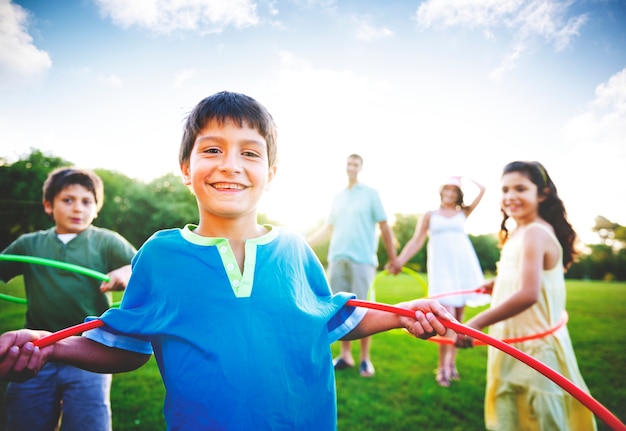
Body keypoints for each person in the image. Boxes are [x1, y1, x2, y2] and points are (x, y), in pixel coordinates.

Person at [0, 91, 453, 431]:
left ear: (270, 175)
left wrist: (402, 315)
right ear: (185, 168)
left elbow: (332, 315)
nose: (231, 164)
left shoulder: (294, 247)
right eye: (212, 149)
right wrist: (49, 344)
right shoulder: (160, 255)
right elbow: (124, 346)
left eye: (250, 153)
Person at [454, 161, 597, 430]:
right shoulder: (520, 231)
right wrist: (495, 283)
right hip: (512, 342)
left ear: (541, 194)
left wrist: (475, 323)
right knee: (515, 415)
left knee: (541, 417)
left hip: (536, 349)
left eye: (520, 188)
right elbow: (523, 275)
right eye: (505, 189)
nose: (510, 196)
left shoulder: (534, 232)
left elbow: (529, 294)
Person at [0, 167, 137, 431]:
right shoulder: (29, 244)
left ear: (96, 209)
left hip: (91, 351)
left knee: (88, 422)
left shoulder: (106, 241)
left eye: (87, 201)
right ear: (48, 205)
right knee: (25, 419)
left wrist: (125, 271)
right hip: (35, 349)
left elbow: (142, 269)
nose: (78, 209)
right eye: (68, 200)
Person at [387, 175, 486, 387]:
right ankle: (442, 367)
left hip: (463, 267)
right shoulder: (430, 215)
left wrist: (467, 177)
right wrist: (399, 261)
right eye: (447, 190)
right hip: (442, 271)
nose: (450, 194)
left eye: (454, 191)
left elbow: (483, 190)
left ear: (458, 195)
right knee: (446, 319)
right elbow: (417, 241)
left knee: (459, 321)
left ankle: (452, 364)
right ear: (441, 192)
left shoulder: (463, 213)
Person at [307, 154, 398, 377]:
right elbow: (328, 228)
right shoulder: (337, 197)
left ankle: (365, 359)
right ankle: (345, 355)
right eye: (349, 163)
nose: (352, 167)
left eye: (356, 164)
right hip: (338, 258)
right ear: (345, 167)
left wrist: (394, 257)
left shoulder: (371, 194)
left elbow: (385, 226)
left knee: (366, 309)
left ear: (361, 168)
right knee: (339, 308)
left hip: (363, 260)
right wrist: (303, 242)